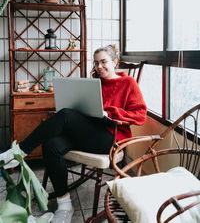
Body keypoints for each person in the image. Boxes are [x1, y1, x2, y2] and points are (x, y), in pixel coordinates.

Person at [0, 44, 147, 223]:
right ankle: (65, 206)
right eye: (96, 63)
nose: (99, 67)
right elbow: (85, 109)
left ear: (115, 62)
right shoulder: (94, 83)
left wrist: (111, 113)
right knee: (51, 144)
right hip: (88, 133)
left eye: (103, 62)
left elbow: (140, 115)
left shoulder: (128, 83)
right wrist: (90, 87)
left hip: (110, 137)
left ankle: (20, 151)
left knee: (65, 115)